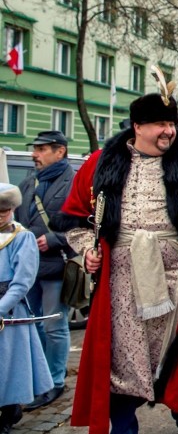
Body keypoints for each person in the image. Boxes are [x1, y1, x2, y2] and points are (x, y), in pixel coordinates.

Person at [54, 76, 178, 434]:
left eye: (172, 124)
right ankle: (124, 423)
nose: (169, 131)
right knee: (124, 357)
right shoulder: (101, 163)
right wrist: (87, 251)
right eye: (160, 124)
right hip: (121, 284)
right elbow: (73, 220)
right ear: (138, 127)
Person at [15, 131, 76, 410]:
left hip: (57, 265)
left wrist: (54, 239)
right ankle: (38, 378)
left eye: (40, 149)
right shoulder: (29, 181)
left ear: (59, 151)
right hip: (29, 268)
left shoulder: (73, 182)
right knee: (32, 325)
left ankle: (55, 380)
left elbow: (87, 226)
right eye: (35, 149)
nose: (34, 154)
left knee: (54, 326)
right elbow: (17, 219)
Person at [0, 183, 53, 434]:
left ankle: (9, 411)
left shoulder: (23, 237)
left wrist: (1, 308)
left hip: (8, 311)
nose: (2, 214)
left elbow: (22, 282)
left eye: (6, 210)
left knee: (8, 364)